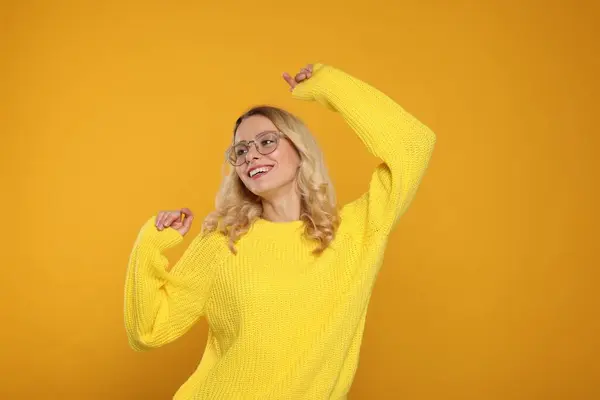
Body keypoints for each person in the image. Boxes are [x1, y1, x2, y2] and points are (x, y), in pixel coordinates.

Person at [124, 63, 436, 399]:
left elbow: (413, 145)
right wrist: (150, 244)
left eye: (267, 141)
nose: (251, 156)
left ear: (299, 150)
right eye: (240, 151)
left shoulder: (356, 232)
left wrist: (330, 87)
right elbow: (148, 330)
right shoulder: (223, 241)